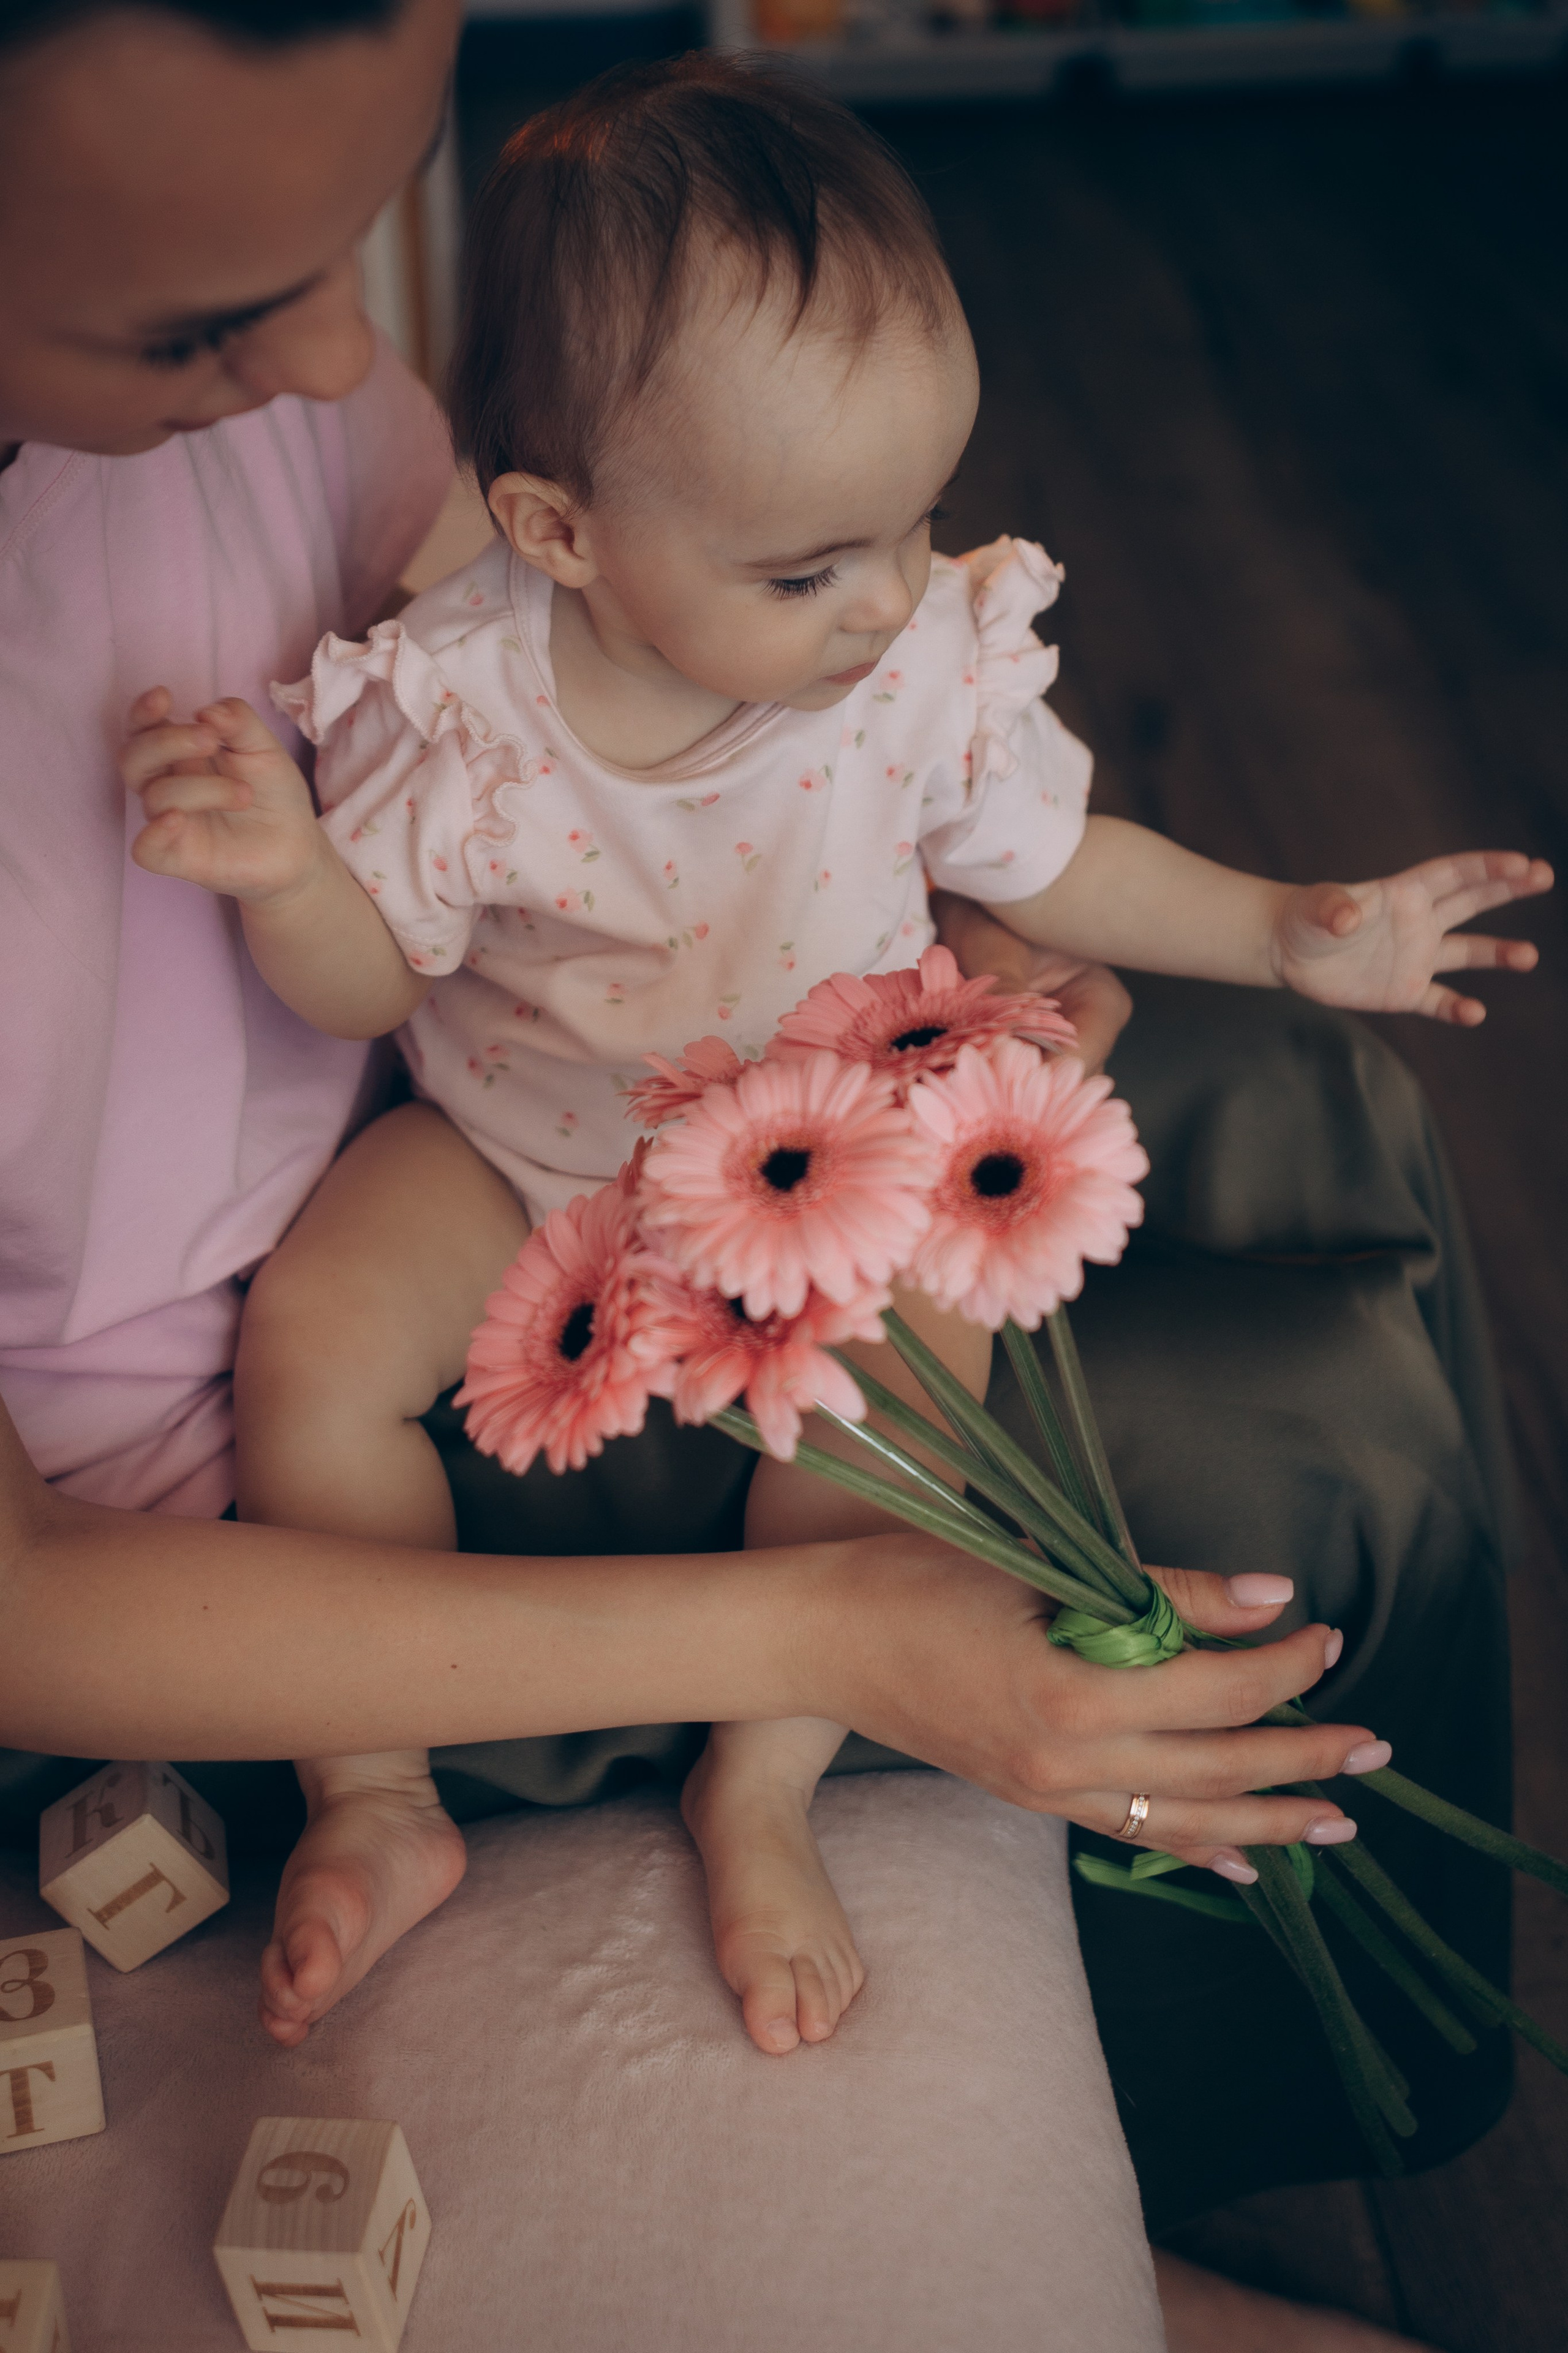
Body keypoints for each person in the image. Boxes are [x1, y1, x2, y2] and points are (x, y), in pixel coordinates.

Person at [0, 7, 1521, 2349]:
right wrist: (288, 861)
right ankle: (380, 1786)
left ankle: (770, 1785)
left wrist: (1283, 932)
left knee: (1097, 1258)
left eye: (912, 530)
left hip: (810, 1116)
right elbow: (361, 971)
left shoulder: (891, 655)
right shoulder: (479, 705)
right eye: (208, 317)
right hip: (509, 1153)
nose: (893, 598)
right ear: (562, 538)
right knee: (333, 1328)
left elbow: (1059, 846)